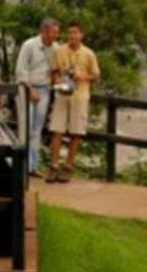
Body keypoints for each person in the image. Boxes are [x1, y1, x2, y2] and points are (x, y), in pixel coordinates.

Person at [45, 22, 100, 184]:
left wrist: (82, 76)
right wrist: (57, 81)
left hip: (80, 95)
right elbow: (54, 72)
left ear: (81, 35)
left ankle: (68, 167)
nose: (72, 36)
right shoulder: (60, 51)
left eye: (76, 33)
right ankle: (53, 166)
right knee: (57, 130)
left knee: (76, 132)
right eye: (70, 33)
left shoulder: (89, 54)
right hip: (62, 94)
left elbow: (96, 75)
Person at [15, 18, 60, 177]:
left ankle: (32, 166)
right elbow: (20, 70)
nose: (56, 35)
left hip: (45, 89)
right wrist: (30, 89)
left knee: (37, 129)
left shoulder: (55, 48)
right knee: (25, 127)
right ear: (45, 32)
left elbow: (56, 70)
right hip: (27, 88)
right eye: (54, 32)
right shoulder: (29, 45)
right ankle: (22, 165)